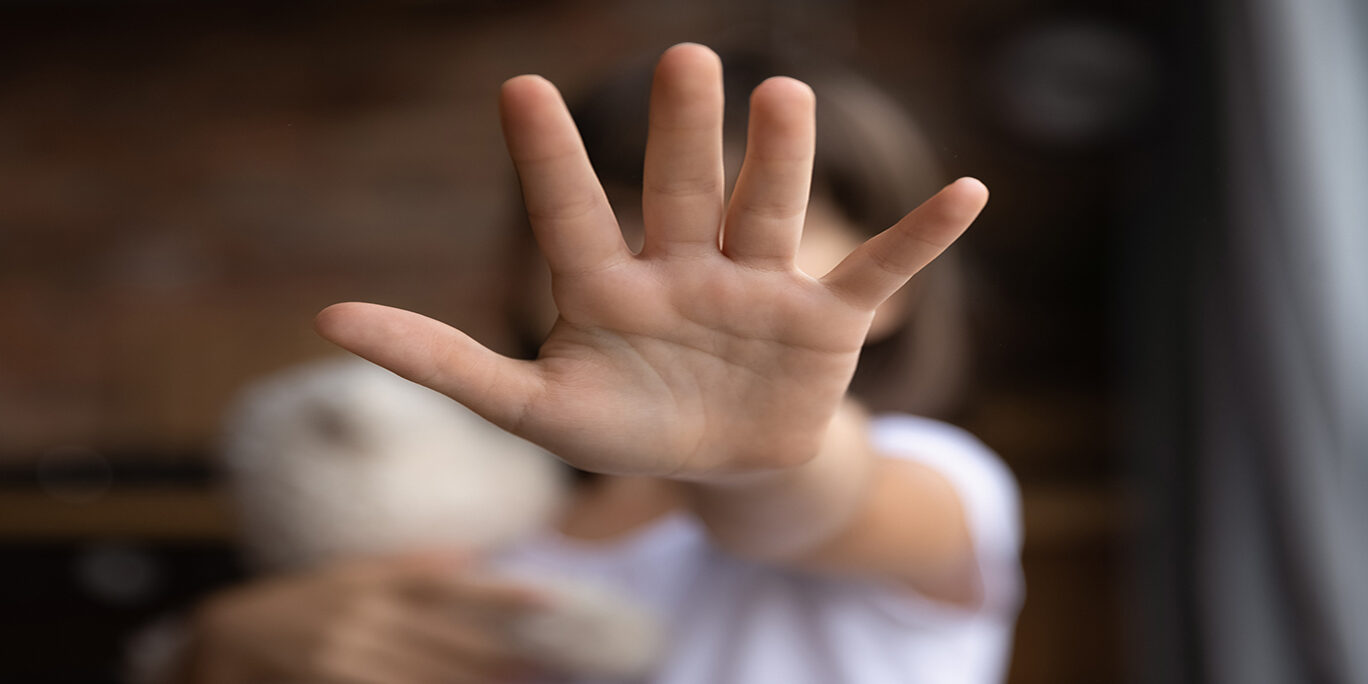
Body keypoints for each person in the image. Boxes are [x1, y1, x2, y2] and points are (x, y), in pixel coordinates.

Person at [180, 43, 1022, 683]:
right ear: (515, 263)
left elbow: (817, 505)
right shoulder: (479, 520)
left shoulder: (937, 477)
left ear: (896, 294)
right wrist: (204, 658)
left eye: (746, 229)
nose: (671, 271)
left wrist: (752, 458)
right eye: (618, 214)